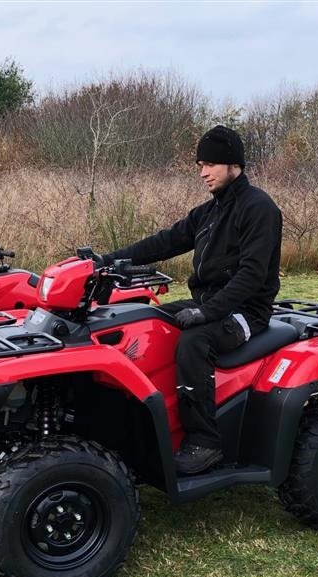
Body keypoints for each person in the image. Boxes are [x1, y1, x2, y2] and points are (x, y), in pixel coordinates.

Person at [103, 125, 282, 475]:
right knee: (143, 321)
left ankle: (205, 441)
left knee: (194, 342)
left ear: (234, 164)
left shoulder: (259, 208)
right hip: (210, 302)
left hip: (247, 311)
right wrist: (108, 261)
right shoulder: (208, 212)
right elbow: (164, 242)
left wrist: (206, 312)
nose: (203, 172)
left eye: (211, 164)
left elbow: (252, 276)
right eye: (201, 164)